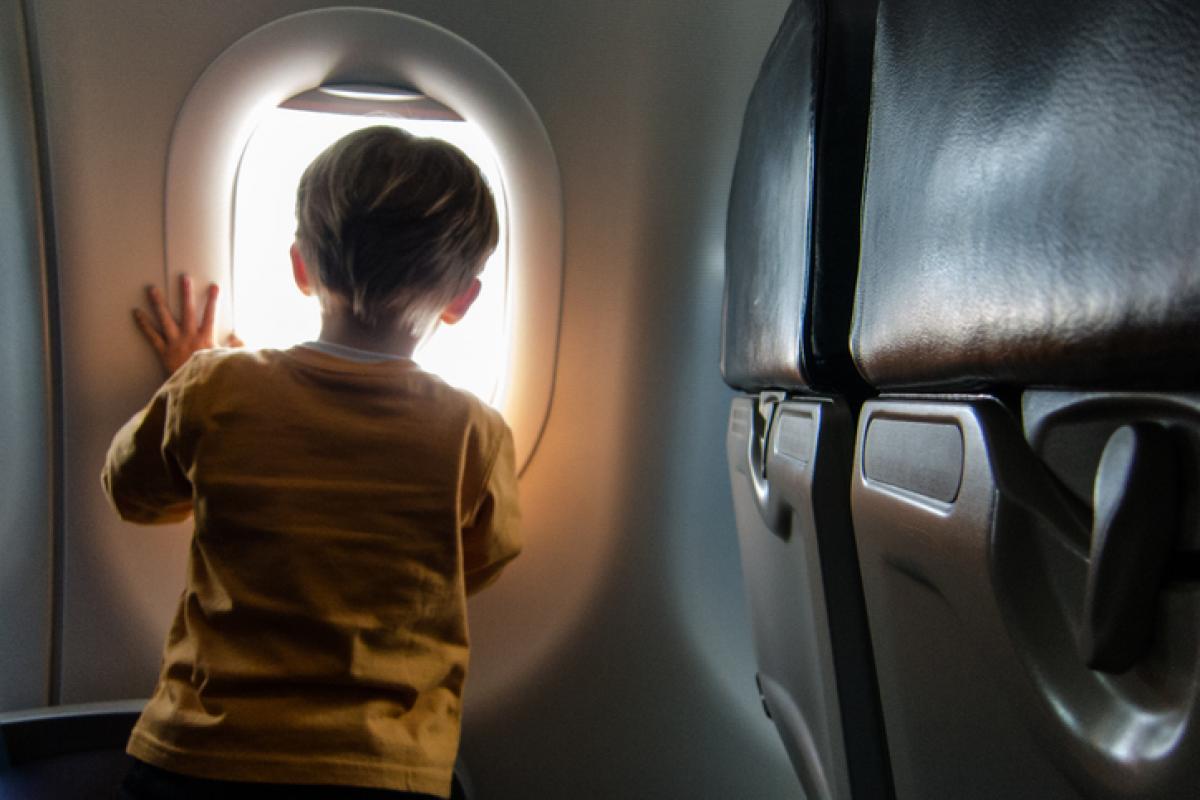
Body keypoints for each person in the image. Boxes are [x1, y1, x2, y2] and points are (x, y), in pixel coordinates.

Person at [102, 126, 521, 799]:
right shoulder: (475, 433)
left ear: (300, 266)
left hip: (199, 758)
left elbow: (130, 493)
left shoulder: (211, 389)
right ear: (462, 300)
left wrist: (183, 399)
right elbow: (485, 558)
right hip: (382, 771)